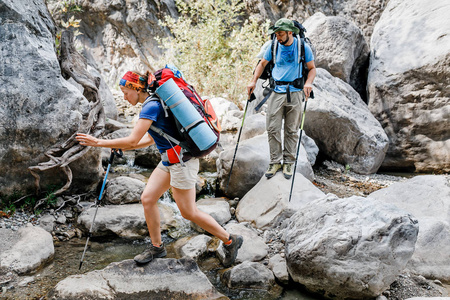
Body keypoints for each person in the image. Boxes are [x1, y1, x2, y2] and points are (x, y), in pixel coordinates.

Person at [76, 70, 243, 267]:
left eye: (125, 92)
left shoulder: (151, 106)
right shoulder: (155, 103)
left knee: (188, 212)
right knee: (147, 198)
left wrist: (97, 142)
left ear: (135, 88)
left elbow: (132, 140)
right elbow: (147, 139)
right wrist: (118, 144)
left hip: (181, 162)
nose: (124, 96)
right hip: (169, 161)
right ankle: (157, 247)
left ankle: (230, 240)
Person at [247, 18, 316, 180]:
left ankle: (289, 162)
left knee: (292, 130)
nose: (277, 36)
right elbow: (262, 64)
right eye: (276, 33)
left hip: (296, 92)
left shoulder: (302, 47)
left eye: (280, 33)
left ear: (290, 33)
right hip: (276, 92)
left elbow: (312, 69)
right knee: (272, 128)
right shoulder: (273, 45)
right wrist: (253, 81)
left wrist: (308, 83)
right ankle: (275, 162)